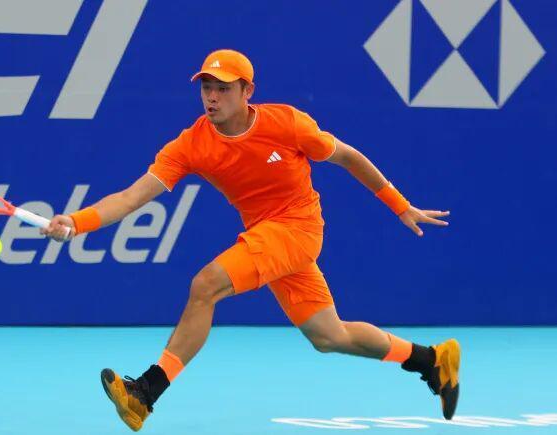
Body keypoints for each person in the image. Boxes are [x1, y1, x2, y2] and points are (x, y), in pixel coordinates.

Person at [41, 49, 459, 432]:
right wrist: (76, 223)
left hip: (298, 228)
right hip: (267, 236)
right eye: (207, 87)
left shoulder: (287, 123)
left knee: (206, 285)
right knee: (330, 336)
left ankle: (146, 392)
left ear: (247, 92)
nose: (212, 97)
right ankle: (431, 359)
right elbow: (131, 197)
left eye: (223, 88)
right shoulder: (191, 144)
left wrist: (400, 205)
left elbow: (348, 157)